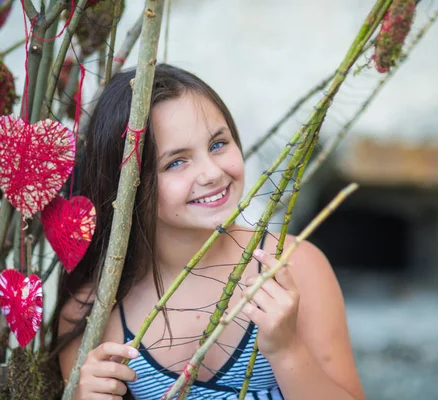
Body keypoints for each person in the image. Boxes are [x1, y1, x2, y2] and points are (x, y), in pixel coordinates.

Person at [51, 64, 365, 400]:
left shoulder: (295, 266)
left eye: (218, 144)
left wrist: (287, 349)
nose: (212, 173)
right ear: (127, 184)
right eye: (176, 162)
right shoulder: (91, 314)